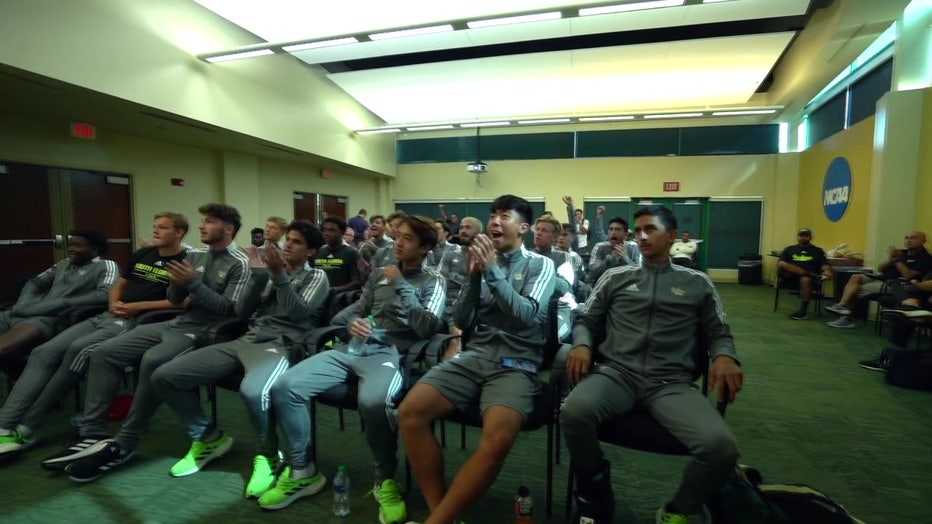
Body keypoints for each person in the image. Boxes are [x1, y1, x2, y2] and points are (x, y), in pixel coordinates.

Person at [562, 205, 742, 524]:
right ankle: (596, 490)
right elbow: (586, 319)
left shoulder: (697, 283)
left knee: (721, 448)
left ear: (671, 236)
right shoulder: (616, 276)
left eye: (650, 229)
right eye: (638, 230)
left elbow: (719, 331)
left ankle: (678, 509)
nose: (642, 236)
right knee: (573, 411)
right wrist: (582, 343)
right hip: (617, 375)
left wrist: (726, 356)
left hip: (670, 384)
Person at [44, 203, 252, 481]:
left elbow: (231, 310)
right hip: (176, 322)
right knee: (104, 353)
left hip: (205, 331)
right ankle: (93, 432)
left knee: (153, 361)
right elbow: (177, 299)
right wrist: (178, 283)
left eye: (210, 222)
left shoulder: (241, 262)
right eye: (203, 220)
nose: (202, 226)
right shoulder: (197, 255)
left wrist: (192, 284)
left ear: (228, 229)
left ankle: (126, 441)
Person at [260, 215, 445, 522]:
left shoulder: (432, 281)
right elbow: (359, 312)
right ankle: (302, 469)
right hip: (352, 349)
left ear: (425, 247)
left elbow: (426, 327)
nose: (398, 242)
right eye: (397, 236)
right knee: (284, 386)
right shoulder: (378, 275)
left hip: (390, 353)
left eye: (408, 239)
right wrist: (354, 323)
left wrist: (400, 284)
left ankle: (384, 479)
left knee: (373, 402)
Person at [399, 194, 556, 524]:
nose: (495, 221)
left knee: (497, 437)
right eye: (493, 215)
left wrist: (491, 272)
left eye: (505, 216)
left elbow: (527, 315)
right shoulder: (482, 263)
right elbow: (461, 318)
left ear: (523, 227)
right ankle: (441, 511)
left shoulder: (541, 265)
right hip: (475, 356)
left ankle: (437, 520)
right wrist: (472, 277)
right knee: (410, 413)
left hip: (517, 364)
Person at [150, 221, 329, 499]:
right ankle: (208, 438)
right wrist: (258, 280)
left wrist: (279, 276)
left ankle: (269, 455)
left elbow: (299, 314)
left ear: (311, 251)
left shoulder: (316, 276)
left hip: (280, 345)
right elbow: (241, 313)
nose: (287, 245)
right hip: (246, 339)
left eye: (296, 242)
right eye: (287, 240)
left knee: (254, 392)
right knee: (166, 376)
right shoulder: (268, 274)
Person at [0, 215, 187, 456]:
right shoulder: (143, 254)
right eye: (155, 227)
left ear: (180, 232)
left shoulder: (186, 260)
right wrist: (114, 303)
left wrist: (134, 308)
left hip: (134, 321)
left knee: (77, 353)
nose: (155, 231)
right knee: (42, 352)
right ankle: (4, 425)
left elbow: (182, 302)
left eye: (162, 228)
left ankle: (28, 427)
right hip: (109, 315)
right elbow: (118, 286)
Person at [0, 230, 119, 363]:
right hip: (19, 314)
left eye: (77, 246)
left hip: (47, 320)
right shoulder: (64, 263)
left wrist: (61, 303)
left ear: (94, 251)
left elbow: (105, 294)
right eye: (70, 245)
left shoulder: (106, 265)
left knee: (3, 349)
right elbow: (35, 283)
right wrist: (24, 303)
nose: (70, 249)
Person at [826, 231, 932, 328]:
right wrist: (891, 259)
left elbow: (908, 275)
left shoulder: (926, 258)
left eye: (913, 238)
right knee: (855, 277)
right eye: (906, 238)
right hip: (882, 278)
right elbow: (880, 268)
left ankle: (847, 318)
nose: (908, 240)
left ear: (923, 241)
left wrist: (897, 260)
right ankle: (842, 305)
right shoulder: (902, 253)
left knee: (857, 289)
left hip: (898, 284)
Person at [776, 228, 831, 320]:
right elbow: (780, 264)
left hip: (808, 279)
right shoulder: (789, 249)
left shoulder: (817, 251)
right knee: (781, 263)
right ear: (797, 237)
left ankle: (803, 311)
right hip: (790, 276)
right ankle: (810, 274)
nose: (803, 238)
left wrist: (827, 270)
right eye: (801, 236)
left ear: (810, 238)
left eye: (806, 236)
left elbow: (824, 264)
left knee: (806, 279)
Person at [313, 216, 362, 294]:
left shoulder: (351, 253)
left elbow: (357, 282)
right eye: (324, 230)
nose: (327, 234)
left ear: (342, 233)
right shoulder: (319, 252)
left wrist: (334, 290)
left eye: (332, 230)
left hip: (339, 299)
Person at [587, 216, 641, 284]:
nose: (613, 232)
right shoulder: (599, 247)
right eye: (611, 229)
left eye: (617, 229)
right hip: (604, 285)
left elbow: (639, 274)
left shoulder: (633, 247)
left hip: (626, 286)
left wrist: (625, 258)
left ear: (626, 234)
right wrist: (610, 259)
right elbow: (593, 274)